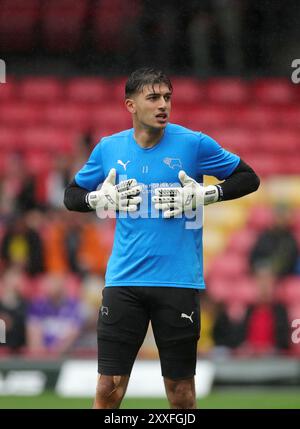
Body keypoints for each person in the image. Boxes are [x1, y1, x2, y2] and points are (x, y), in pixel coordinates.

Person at [64, 67, 260, 409]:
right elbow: (71, 194)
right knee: (108, 388)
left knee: (181, 392)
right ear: (130, 105)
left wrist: (207, 194)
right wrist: (96, 200)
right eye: (153, 97)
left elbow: (249, 178)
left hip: (178, 282)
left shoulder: (194, 144)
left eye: (167, 97)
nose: (163, 105)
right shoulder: (109, 148)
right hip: (124, 281)